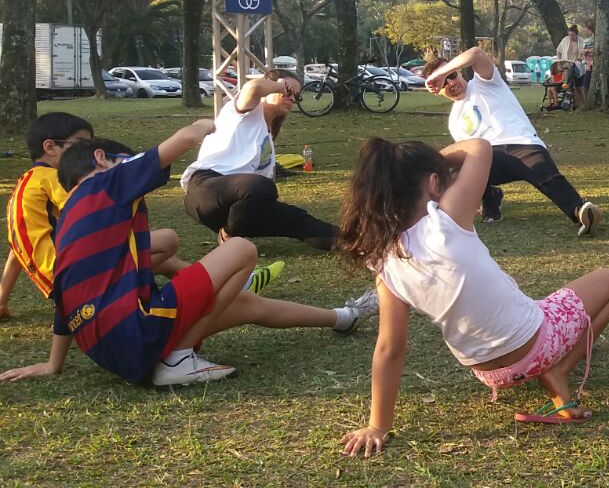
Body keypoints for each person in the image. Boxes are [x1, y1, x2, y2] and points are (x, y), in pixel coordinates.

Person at [0, 125, 378, 386]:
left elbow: (66, 299)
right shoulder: (106, 183)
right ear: (102, 159)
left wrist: (53, 365)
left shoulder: (69, 223)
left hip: (109, 350)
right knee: (242, 248)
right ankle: (178, 357)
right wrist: (206, 127)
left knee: (245, 304)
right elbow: (174, 144)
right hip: (138, 333)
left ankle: (343, 317)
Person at [335, 138, 609, 456]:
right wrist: (438, 160)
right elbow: (480, 148)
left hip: (488, 373)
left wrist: (378, 425)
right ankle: (559, 371)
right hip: (537, 343)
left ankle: (546, 365)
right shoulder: (444, 221)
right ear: (434, 184)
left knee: (535, 305)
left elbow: (390, 348)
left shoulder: (385, 263)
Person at [425, 47, 603, 236]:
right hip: (489, 156)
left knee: (548, 178)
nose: (450, 83)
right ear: (437, 91)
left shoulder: (485, 82)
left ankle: (580, 211)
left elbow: (476, 53)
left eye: (451, 75)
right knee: (462, 162)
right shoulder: (454, 121)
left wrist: (440, 74)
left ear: (458, 71)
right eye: (443, 83)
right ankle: (489, 200)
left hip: (524, 145)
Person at [181, 70, 337, 250]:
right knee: (262, 187)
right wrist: (279, 85)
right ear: (269, 90)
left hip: (240, 204)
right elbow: (253, 87)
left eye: (296, 95)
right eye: (288, 91)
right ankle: (230, 237)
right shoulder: (242, 111)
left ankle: (359, 243)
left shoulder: (267, 134)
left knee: (298, 219)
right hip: (206, 191)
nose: (292, 98)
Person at [1, 113, 94, 320]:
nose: (86, 153)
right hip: (68, 276)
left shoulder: (26, 181)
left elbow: (17, 248)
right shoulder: (52, 178)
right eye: (79, 145)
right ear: (50, 147)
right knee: (167, 240)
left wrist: (2, 299)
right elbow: (89, 211)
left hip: (53, 279)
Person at [555, 24, 586, 109]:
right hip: (567, 65)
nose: (571, 37)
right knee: (569, 86)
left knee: (579, 87)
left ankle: (583, 103)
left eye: (573, 35)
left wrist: (578, 60)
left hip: (577, 66)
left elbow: (582, 54)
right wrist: (560, 61)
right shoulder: (565, 40)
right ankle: (570, 104)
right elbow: (558, 50)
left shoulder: (581, 41)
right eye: (570, 35)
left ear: (576, 34)